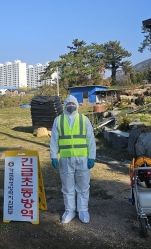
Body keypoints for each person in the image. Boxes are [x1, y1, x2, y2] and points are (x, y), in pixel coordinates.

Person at [50, 95, 96, 223]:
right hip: (65, 159)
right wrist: (53, 156)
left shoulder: (84, 120)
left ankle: (83, 210)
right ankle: (69, 210)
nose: (71, 105)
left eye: (73, 103)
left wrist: (92, 157)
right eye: (68, 103)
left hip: (83, 159)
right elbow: (54, 141)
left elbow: (90, 140)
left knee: (83, 186)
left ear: (77, 105)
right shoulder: (58, 120)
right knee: (67, 187)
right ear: (65, 105)